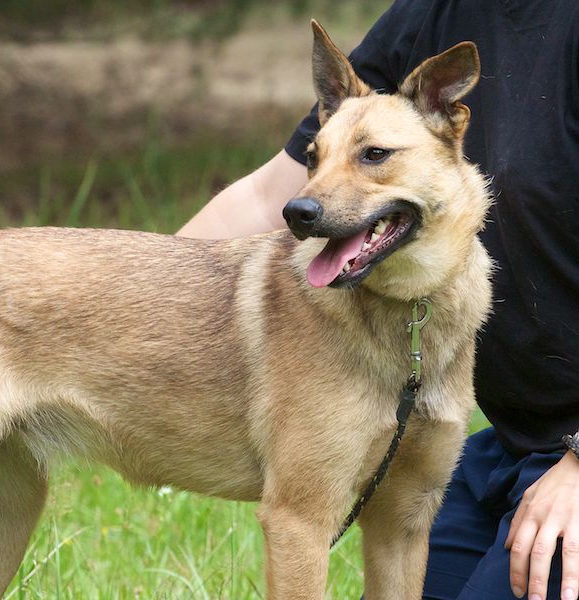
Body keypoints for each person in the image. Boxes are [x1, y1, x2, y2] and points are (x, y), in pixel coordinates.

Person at [178, 1, 579, 599]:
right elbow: (268, 196)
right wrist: (129, 293)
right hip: (508, 447)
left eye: (373, 157)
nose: (316, 195)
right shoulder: (435, 11)